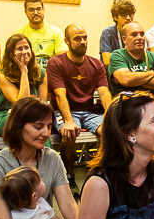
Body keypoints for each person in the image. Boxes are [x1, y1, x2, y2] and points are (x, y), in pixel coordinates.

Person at [46, 23, 112, 171]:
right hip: (64, 111)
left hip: (89, 112)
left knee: (109, 132)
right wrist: (69, 121)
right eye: (77, 39)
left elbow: (104, 93)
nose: (83, 42)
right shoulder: (56, 63)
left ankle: (98, 173)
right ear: (67, 41)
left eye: (85, 38)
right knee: (69, 134)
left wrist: (111, 117)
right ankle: (68, 176)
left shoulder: (96, 64)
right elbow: (60, 95)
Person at [0, 33, 44, 135]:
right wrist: (24, 71)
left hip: (32, 115)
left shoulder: (40, 72)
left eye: (26, 48)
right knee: (25, 125)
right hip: (6, 115)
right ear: (11, 53)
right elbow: (22, 102)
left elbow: (42, 103)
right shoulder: (2, 74)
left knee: (39, 127)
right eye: (19, 49)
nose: (24, 52)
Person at [108, 21, 154, 94]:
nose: (139, 37)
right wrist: (153, 73)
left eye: (142, 34)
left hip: (152, 100)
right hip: (126, 100)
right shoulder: (118, 55)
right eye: (134, 35)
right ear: (124, 39)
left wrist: (132, 81)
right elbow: (126, 79)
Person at [16, 0, 65, 67]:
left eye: (38, 9)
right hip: (26, 70)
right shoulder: (18, 33)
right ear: (25, 12)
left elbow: (62, 57)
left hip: (50, 70)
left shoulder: (55, 32)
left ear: (43, 9)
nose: (36, 13)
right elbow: (10, 57)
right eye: (31, 10)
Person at [99, 0, 136, 66]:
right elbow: (107, 61)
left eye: (130, 14)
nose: (128, 18)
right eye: (124, 15)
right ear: (115, 17)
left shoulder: (136, 32)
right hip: (114, 71)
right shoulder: (107, 33)